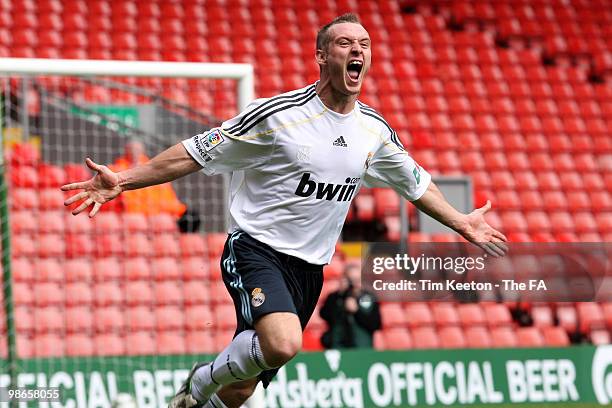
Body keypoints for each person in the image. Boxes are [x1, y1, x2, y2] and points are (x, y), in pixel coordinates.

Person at [61, 13, 508, 408]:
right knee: (283, 343)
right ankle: (199, 381)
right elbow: (194, 153)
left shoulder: (373, 130)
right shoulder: (279, 116)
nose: (357, 51)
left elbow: (416, 183)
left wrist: (462, 220)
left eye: (365, 44)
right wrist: (124, 179)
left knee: (241, 389)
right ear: (321, 56)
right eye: (345, 43)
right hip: (256, 249)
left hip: (310, 269)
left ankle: (197, 400)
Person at [320, 263, 381, 348]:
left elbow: (376, 324)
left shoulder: (370, 298)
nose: (355, 284)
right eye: (352, 280)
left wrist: (357, 311)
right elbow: (324, 314)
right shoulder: (335, 297)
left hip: (362, 348)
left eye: (358, 280)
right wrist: (340, 296)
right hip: (338, 347)